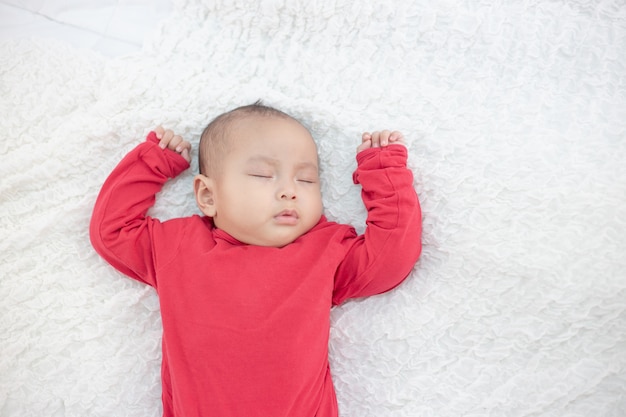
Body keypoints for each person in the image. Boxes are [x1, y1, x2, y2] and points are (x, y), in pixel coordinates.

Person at [90, 102, 422, 417]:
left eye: (306, 179)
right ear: (208, 196)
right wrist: (152, 163)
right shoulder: (178, 246)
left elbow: (390, 258)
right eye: (263, 175)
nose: (290, 190)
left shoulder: (325, 250)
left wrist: (383, 173)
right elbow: (113, 230)